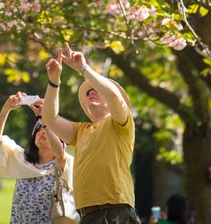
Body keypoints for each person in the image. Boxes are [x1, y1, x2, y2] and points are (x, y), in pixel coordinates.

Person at [42, 43, 140, 223]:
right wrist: (54, 81)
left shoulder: (120, 123)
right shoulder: (81, 131)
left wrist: (83, 68)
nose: (91, 93)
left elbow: (114, 96)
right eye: (88, 93)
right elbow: (49, 119)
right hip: (87, 215)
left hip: (115, 211)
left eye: (96, 90)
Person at [0, 92, 73, 224]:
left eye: (47, 129)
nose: (42, 130)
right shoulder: (23, 160)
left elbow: (60, 154)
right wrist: (6, 109)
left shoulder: (63, 163)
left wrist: (44, 118)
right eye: (39, 127)